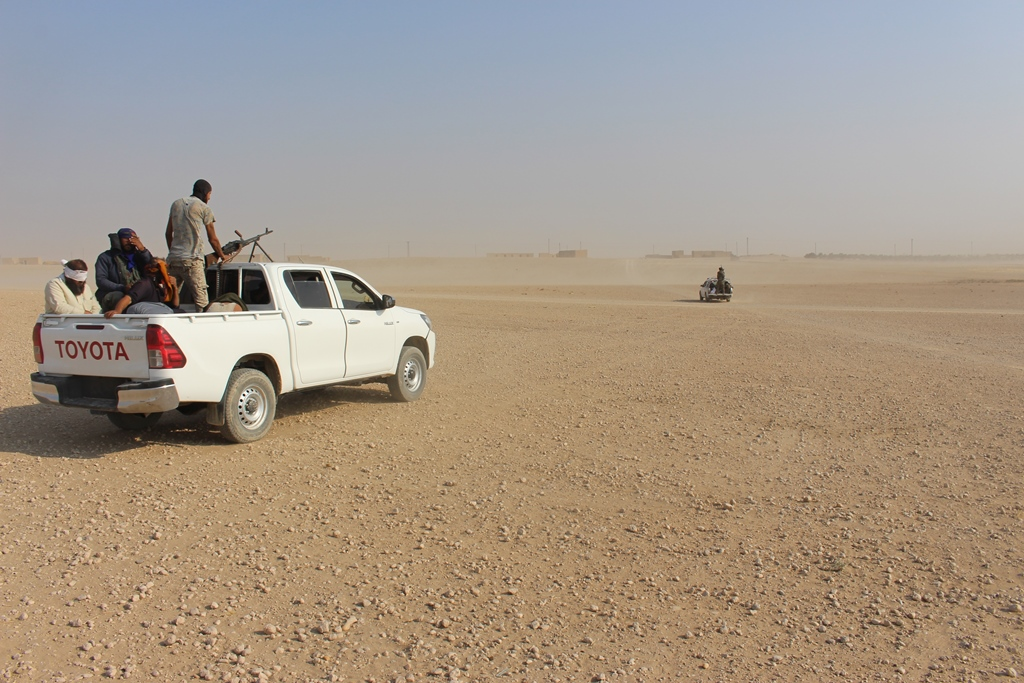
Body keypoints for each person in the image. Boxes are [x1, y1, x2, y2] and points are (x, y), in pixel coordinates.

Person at [166, 179, 227, 311]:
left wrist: (173, 253)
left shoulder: (176, 204)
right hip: (192, 261)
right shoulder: (204, 208)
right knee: (202, 304)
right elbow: (213, 239)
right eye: (209, 194)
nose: (209, 198)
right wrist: (223, 255)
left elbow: (168, 234)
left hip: (173, 260)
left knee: (168, 299)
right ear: (206, 193)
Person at [95, 228, 153, 311]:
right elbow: (101, 281)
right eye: (125, 238)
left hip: (136, 291)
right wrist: (122, 287)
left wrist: (143, 250)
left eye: (132, 238)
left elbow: (152, 266)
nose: (129, 241)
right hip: (115, 292)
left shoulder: (139, 256)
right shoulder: (106, 257)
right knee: (119, 297)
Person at [104, 258, 180, 318]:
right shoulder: (144, 284)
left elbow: (175, 305)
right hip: (145, 316)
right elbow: (128, 299)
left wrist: (174, 288)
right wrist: (117, 311)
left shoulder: (161, 287)